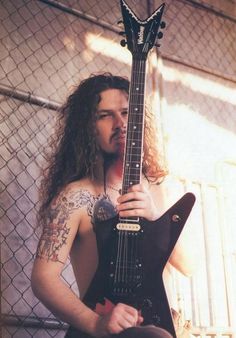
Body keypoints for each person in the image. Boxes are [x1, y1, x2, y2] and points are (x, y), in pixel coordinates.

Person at [31, 73, 195, 338]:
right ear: (87, 128)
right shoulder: (75, 196)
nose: (120, 124)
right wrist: (95, 323)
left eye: (126, 112)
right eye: (104, 115)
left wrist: (154, 215)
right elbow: (43, 279)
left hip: (162, 325)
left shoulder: (157, 190)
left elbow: (190, 265)